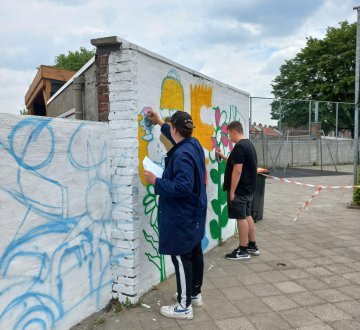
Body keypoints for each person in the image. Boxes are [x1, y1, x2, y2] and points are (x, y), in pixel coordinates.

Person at [144, 110, 207, 320]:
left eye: (170, 127)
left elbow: (183, 187)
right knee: (194, 251)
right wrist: (160, 122)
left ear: (174, 129)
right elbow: (176, 138)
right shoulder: (193, 144)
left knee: (181, 257)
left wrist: (156, 181)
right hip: (195, 211)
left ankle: (183, 306)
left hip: (183, 214)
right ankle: (194, 294)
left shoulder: (181, 155)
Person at [215, 121, 260, 260]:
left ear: (234, 131)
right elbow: (237, 162)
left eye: (229, 134)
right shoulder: (248, 145)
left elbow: (237, 170)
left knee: (241, 218)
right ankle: (252, 246)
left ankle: (243, 250)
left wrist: (232, 191)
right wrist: (223, 157)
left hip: (240, 190)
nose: (229, 137)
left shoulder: (239, 147)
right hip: (248, 189)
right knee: (247, 216)